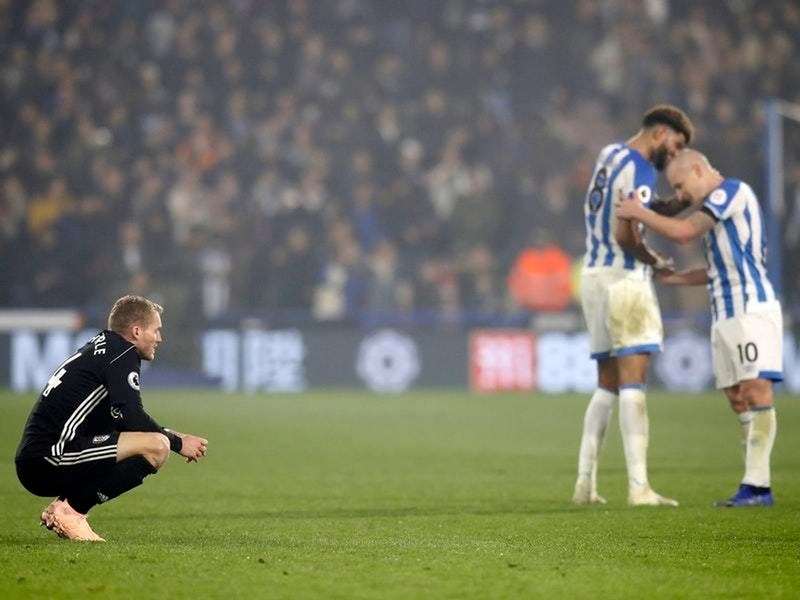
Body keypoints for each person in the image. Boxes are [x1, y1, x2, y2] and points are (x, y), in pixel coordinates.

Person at [616, 148, 782, 507]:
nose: (680, 195)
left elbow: (684, 232)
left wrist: (639, 211)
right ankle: (754, 482)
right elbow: (717, 272)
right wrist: (671, 279)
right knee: (737, 398)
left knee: (755, 390)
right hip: (723, 313)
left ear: (698, 169)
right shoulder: (715, 212)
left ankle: (757, 487)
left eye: (680, 185)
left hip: (750, 308)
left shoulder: (730, 192)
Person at [574, 104, 695, 507]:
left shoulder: (609, 154)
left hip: (592, 275)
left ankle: (585, 483)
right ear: (660, 133)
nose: (674, 155)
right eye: (675, 145)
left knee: (606, 384)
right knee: (633, 382)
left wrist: (673, 205)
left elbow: (633, 208)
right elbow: (627, 233)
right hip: (624, 278)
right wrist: (655, 261)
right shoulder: (642, 168)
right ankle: (639, 487)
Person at [15, 295, 209, 541]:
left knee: (151, 441)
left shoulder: (103, 347)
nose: (159, 338)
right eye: (156, 330)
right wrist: (178, 443)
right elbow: (135, 420)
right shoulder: (123, 355)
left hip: (38, 459)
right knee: (158, 448)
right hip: (49, 459)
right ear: (137, 331)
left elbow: (123, 419)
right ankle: (71, 512)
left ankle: (62, 507)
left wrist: (175, 435)